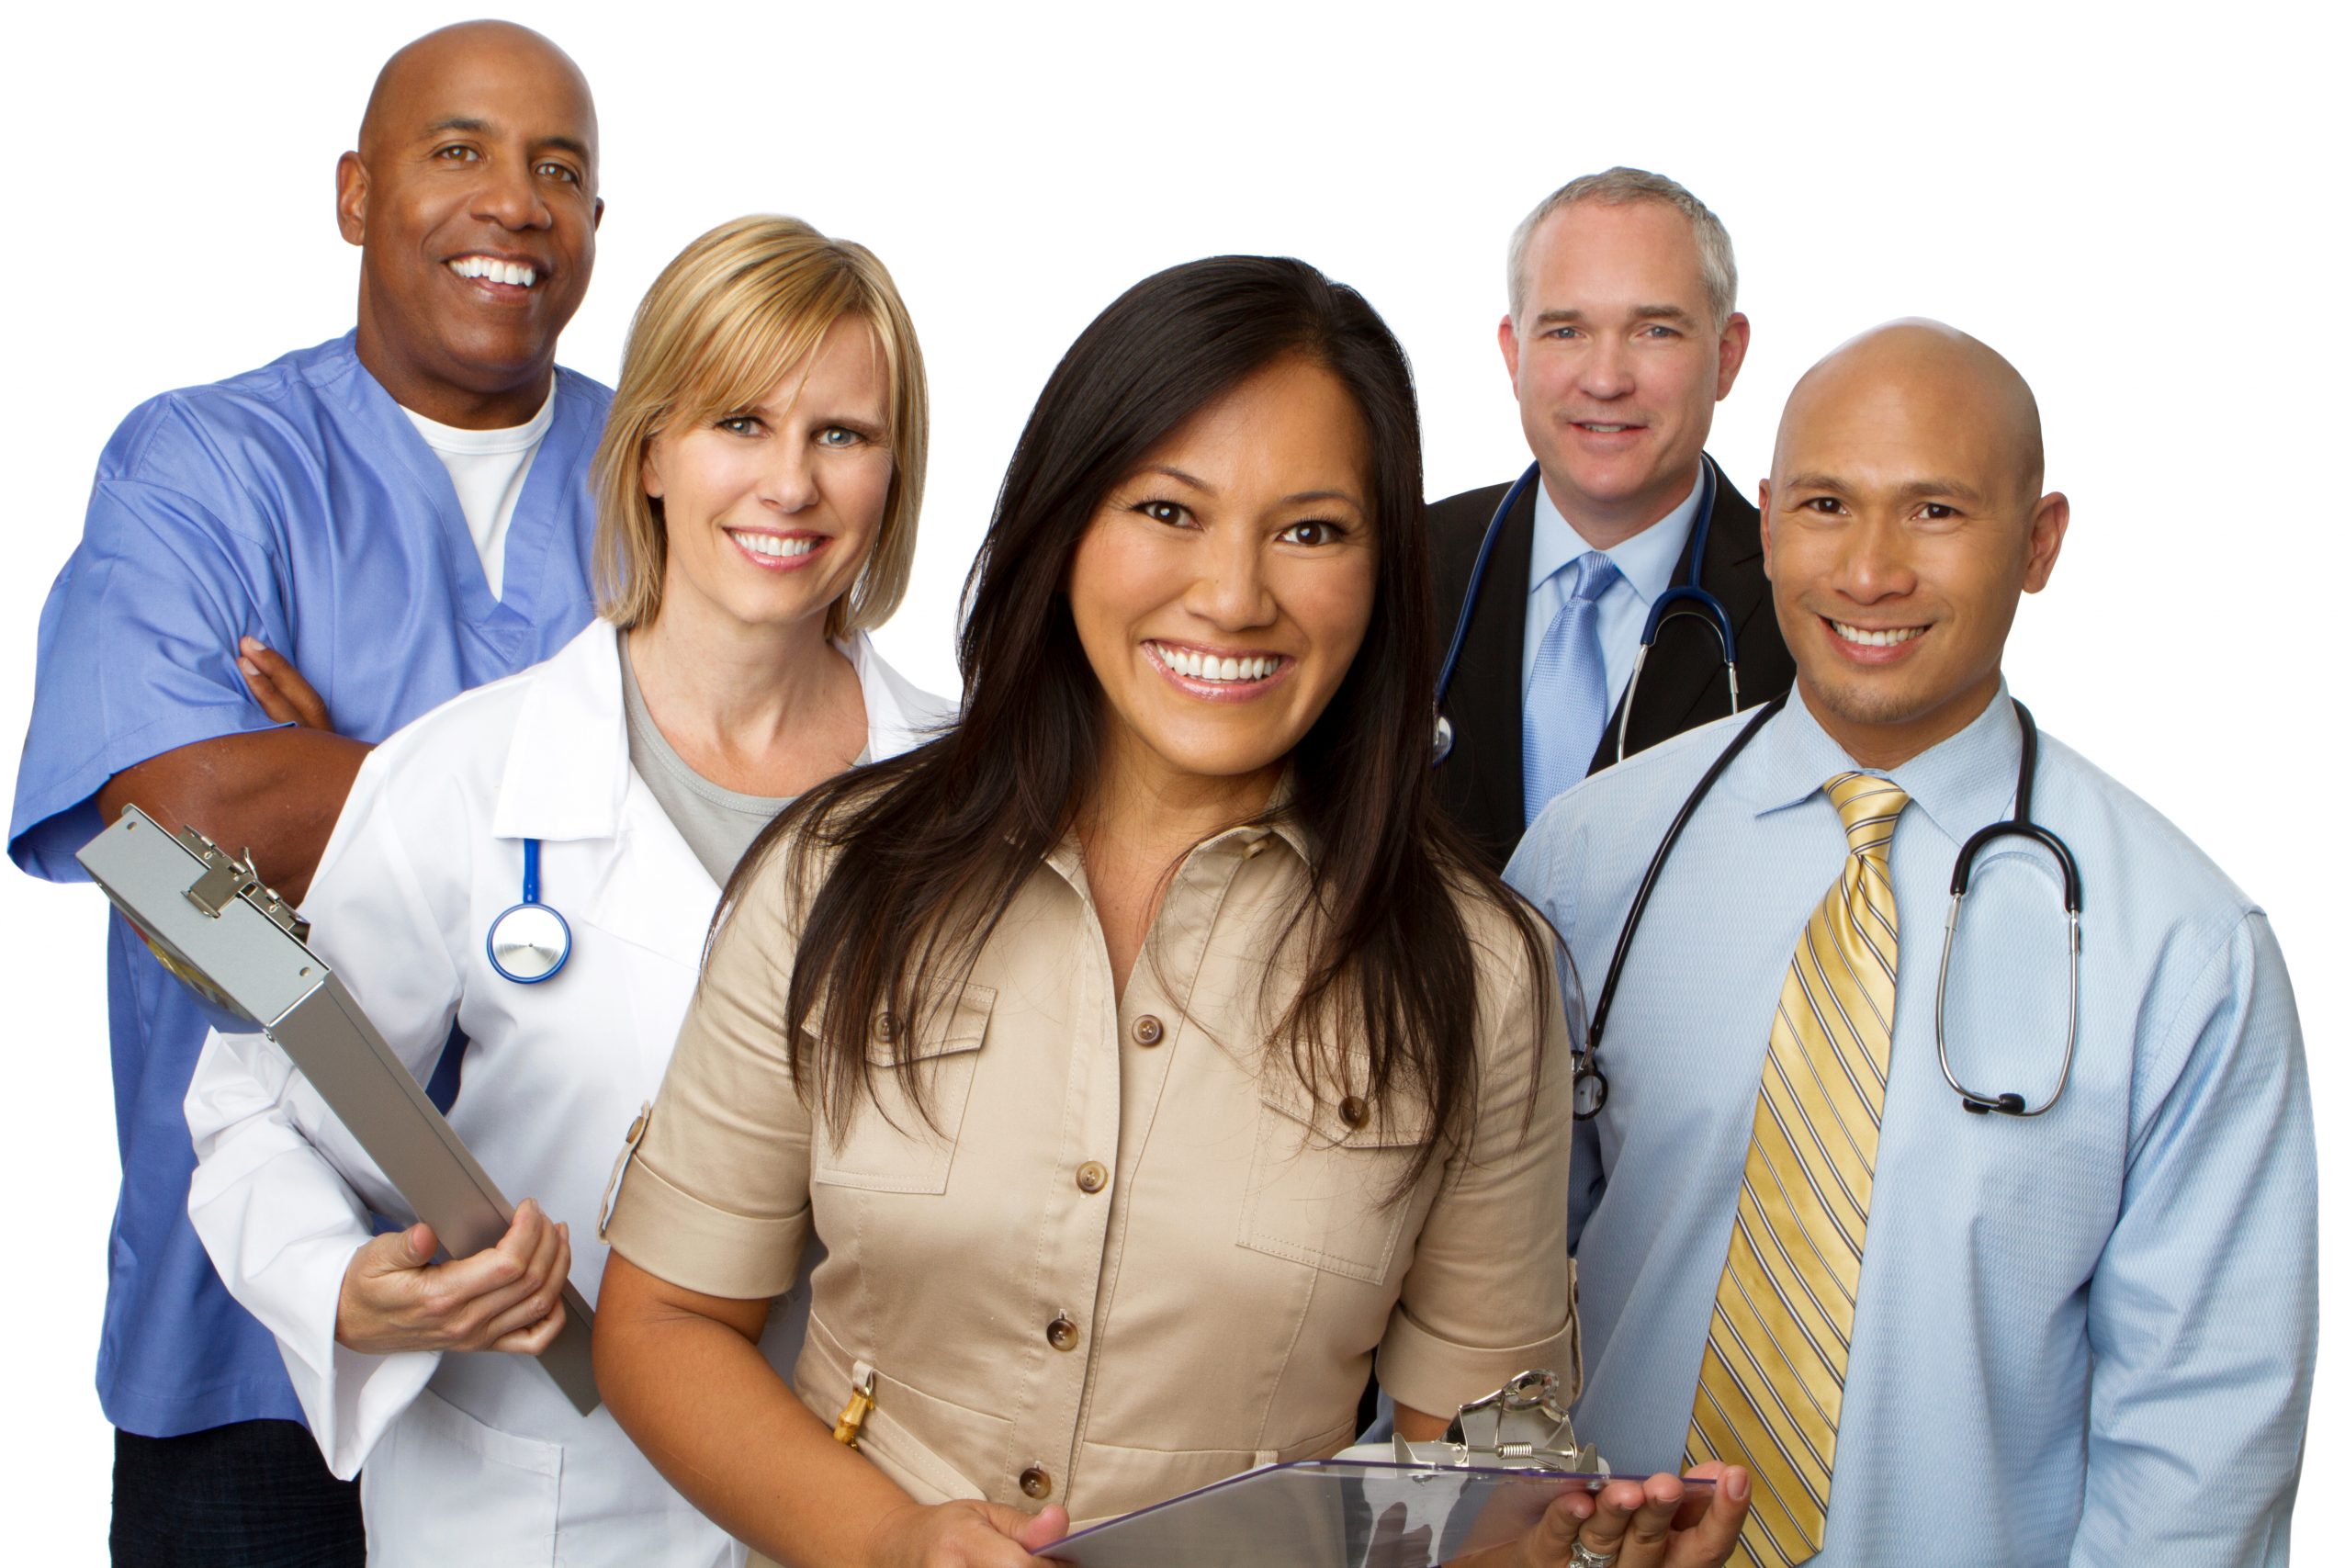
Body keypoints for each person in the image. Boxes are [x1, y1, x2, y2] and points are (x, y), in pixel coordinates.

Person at [591, 255, 1750, 1568]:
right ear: (1064, 519)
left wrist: (1572, 1550)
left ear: (1383, 569)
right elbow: (666, 1317)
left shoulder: (1475, 973)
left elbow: (1472, 1468)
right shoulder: (838, 876)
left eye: (1312, 530)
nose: (1235, 595)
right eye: (1169, 510)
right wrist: (892, 1540)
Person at [181, 215, 950, 1568]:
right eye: (738, 422)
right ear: (648, 447)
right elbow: (255, 1098)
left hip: (876, 1493)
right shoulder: (471, 774)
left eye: (843, 434)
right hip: (541, 1497)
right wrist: (345, 1287)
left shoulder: (971, 794)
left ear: (896, 471)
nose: (790, 483)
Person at [1508, 321, 2316, 1565]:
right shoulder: (1588, 860)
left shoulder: (2184, 947)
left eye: (1936, 510)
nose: (1871, 570)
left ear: (2040, 541)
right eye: (1829, 503)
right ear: (1768, 521)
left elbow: (2203, 1448)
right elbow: (1478, 1283)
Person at [6, 20, 608, 1562]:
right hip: (247, 1350)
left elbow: (773, 835)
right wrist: (582, 796)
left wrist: (344, 755)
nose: (516, 202)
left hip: (601, 1328)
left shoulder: (678, 473)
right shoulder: (203, 466)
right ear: (356, 191)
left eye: (561, 168)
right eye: (458, 149)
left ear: (598, 224)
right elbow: (178, 848)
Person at [1429, 168, 1793, 866]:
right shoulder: (1396, 564)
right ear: (1514, 353)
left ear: (1727, 354)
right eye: (1566, 330)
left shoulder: (1802, 604)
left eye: (1654, 330)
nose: (1605, 378)